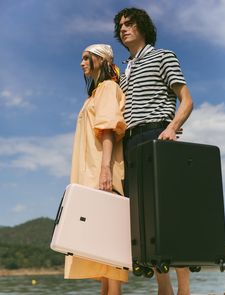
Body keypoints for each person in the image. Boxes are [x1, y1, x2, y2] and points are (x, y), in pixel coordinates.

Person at [114, 7, 194, 295]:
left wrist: (171, 127)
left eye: (129, 23)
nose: (123, 29)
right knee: (143, 220)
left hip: (157, 135)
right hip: (130, 143)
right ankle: (164, 289)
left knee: (167, 215)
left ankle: (184, 288)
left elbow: (186, 100)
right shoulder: (125, 70)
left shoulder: (163, 56)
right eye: (120, 25)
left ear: (143, 27)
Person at [64, 44, 128, 295]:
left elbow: (109, 128)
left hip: (101, 171)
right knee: (98, 247)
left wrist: (105, 170)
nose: (81, 63)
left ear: (100, 60)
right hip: (89, 173)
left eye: (86, 58)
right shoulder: (95, 94)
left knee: (108, 247)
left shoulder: (108, 88)